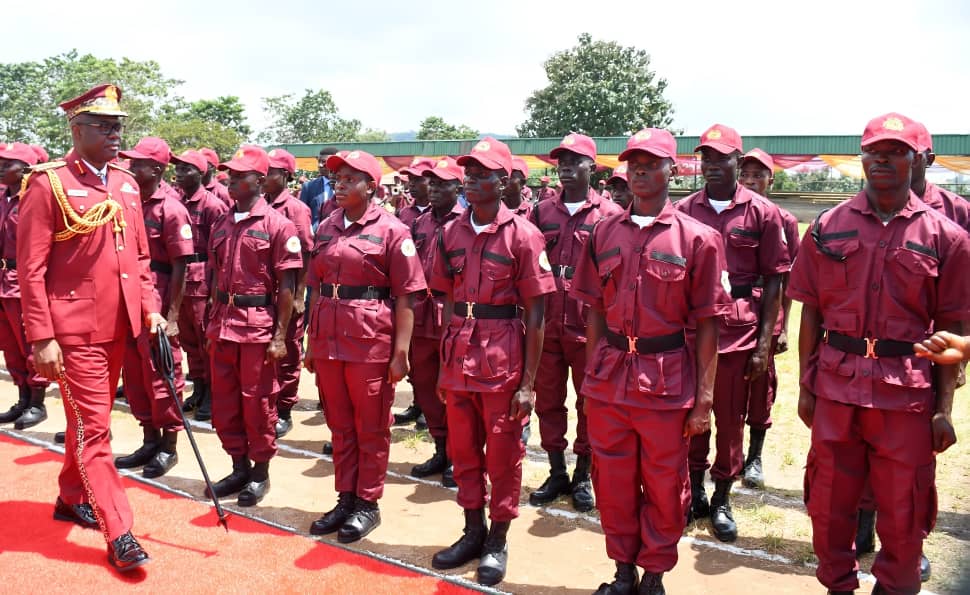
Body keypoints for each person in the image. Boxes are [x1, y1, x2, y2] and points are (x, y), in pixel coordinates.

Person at [789, 112, 970, 595]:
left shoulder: (945, 237)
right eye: (874, 151)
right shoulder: (828, 226)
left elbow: (954, 327)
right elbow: (811, 313)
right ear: (861, 159)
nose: (883, 159)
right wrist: (806, 387)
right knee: (828, 505)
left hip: (905, 395)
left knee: (904, 515)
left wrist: (944, 409)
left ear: (915, 160)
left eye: (895, 152)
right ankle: (838, 586)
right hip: (836, 386)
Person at [572, 128, 730, 595]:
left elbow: (707, 326)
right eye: (633, 162)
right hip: (611, 378)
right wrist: (591, 376)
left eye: (650, 162)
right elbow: (595, 311)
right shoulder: (602, 232)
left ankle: (654, 574)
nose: (639, 169)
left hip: (666, 380)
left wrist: (703, 400)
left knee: (665, 484)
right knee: (613, 480)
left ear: (672, 169)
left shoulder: (698, 238)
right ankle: (622, 571)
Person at [18, 83, 163, 571]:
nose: (114, 134)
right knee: (97, 430)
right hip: (74, 331)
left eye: (118, 126)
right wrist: (41, 337)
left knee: (85, 424)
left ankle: (68, 496)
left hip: (119, 326)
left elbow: (140, 258)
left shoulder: (124, 182)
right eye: (103, 126)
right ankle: (119, 531)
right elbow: (31, 269)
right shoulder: (48, 183)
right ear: (76, 129)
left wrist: (151, 307)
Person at [428, 137, 555, 586]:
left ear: (503, 181)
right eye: (470, 173)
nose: (473, 180)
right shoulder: (450, 233)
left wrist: (528, 383)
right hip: (460, 356)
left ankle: (498, 539)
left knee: (503, 455)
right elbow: (443, 297)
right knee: (463, 452)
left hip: (503, 355)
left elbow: (537, 313)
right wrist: (445, 362)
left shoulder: (524, 234)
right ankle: (472, 530)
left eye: (483, 174)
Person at [674, 124, 790, 543]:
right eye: (706, 158)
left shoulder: (763, 212)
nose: (712, 165)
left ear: (738, 162)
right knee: (691, 415)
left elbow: (775, 280)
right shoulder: (684, 210)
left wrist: (764, 344)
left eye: (721, 158)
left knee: (729, 420)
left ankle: (722, 496)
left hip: (739, 330)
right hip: (692, 330)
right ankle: (694, 492)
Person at [304, 150, 426, 543]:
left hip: (370, 343)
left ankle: (367, 503)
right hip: (329, 339)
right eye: (336, 178)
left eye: (349, 179)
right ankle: (345, 497)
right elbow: (315, 287)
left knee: (371, 428)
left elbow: (407, 297)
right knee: (340, 426)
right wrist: (310, 339)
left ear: (370, 187)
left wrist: (401, 353)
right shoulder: (326, 226)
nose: (338, 184)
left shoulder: (393, 231)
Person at [529, 133, 623, 512]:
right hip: (548, 320)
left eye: (574, 161)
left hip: (590, 326)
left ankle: (583, 473)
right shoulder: (541, 212)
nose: (565, 168)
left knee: (589, 402)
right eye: (561, 162)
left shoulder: (610, 215)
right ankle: (556, 470)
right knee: (548, 400)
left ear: (592, 167)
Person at [205, 145, 301, 506]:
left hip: (258, 327)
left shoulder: (279, 225)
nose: (231, 179)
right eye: (230, 173)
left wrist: (280, 337)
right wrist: (212, 323)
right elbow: (215, 276)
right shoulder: (222, 222)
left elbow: (288, 286)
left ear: (259, 181)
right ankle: (238, 466)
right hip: (224, 325)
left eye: (241, 175)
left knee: (258, 403)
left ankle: (259, 473)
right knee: (226, 403)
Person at [113, 137, 194, 478]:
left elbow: (181, 266)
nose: (130, 168)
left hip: (158, 298)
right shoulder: (126, 202)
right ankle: (148, 439)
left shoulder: (172, 209)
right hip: (130, 297)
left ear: (156, 170)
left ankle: (169, 446)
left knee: (163, 375)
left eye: (137, 164)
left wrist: (173, 316)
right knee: (134, 377)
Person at [735, 148, 799, 490]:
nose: (750, 181)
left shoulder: (783, 219)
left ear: (771, 181)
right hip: (733, 306)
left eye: (758, 175)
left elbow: (788, 279)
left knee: (761, 385)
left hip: (766, 308)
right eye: (745, 174)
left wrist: (783, 326)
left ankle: (754, 455)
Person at [406, 157, 465, 487]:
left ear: (458, 187)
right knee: (424, 386)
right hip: (421, 316)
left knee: (453, 391)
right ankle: (442, 448)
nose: (434, 188)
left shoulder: (465, 222)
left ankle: (459, 456)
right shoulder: (421, 222)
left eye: (443, 183)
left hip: (451, 317)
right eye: (432, 182)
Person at [171, 150, 228, 420]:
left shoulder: (212, 205)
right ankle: (200, 389)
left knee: (206, 341)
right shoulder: (176, 200)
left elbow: (221, 251)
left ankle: (213, 395)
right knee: (189, 341)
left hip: (203, 278)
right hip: (182, 278)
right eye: (178, 169)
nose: (179, 173)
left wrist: (215, 291)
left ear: (200, 172)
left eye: (185, 169)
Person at [262, 149, 313, 439]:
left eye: (272, 172)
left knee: (289, 352)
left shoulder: (295, 209)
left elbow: (306, 253)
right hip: (268, 292)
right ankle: (270, 404)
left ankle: (284, 409)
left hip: (289, 290)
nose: (265, 177)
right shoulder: (261, 205)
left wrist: (299, 295)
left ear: (286, 176)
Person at [0, 143, 51, 428]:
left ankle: (37, 403)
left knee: (30, 345)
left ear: (25, 170)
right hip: (2, 282)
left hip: (23, 282)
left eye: (8, 164)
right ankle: (21, 398)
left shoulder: (34, 198)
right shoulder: (3, 199)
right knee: (10, 347)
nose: (1, 167)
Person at [301, 147, 338, 232]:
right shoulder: (309, 187)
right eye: (319, 161)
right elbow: (302, 215)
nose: (320, 165)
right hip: (315, 237)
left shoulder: (344, 186)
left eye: (324, 162)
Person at [396, 158, 435, 228]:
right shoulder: (402, 213)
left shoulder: (442, 213)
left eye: (418, 179)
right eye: (410, 178)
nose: (411, 184)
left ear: (432, 182)